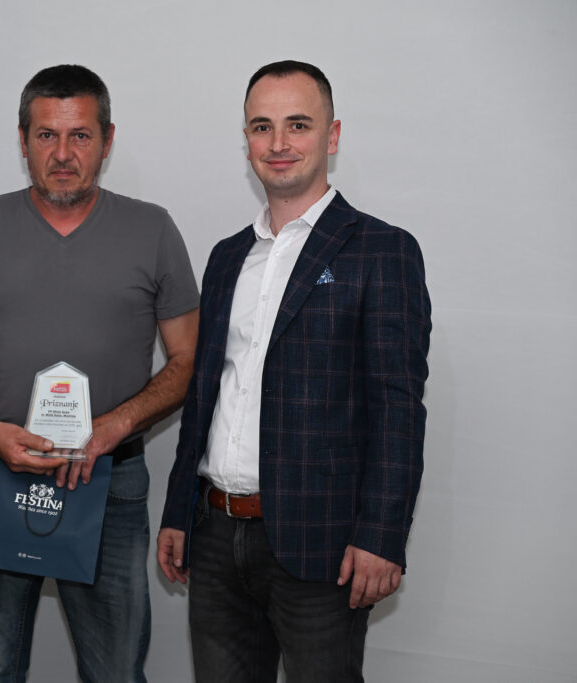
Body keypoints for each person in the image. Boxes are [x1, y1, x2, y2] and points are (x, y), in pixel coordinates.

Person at [157, 60, 431, 682]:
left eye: (298, 125)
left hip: (324, 543)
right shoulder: (227, 257)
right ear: (247, 140)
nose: (278, 143)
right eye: (262, 127)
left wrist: (382, 534)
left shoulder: (382, 251)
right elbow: (204, 396)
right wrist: (178, 510)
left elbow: (398, 408)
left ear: (332, 136)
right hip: (215, 534)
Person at [0, 64, 200, 683]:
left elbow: (188, 360)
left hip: (110, 480)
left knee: (115, 671)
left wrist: (114, 426)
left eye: (80, 135)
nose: (62, 154)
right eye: (46, 135)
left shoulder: (153, 230)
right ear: (23, 139)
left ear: (107, 140)